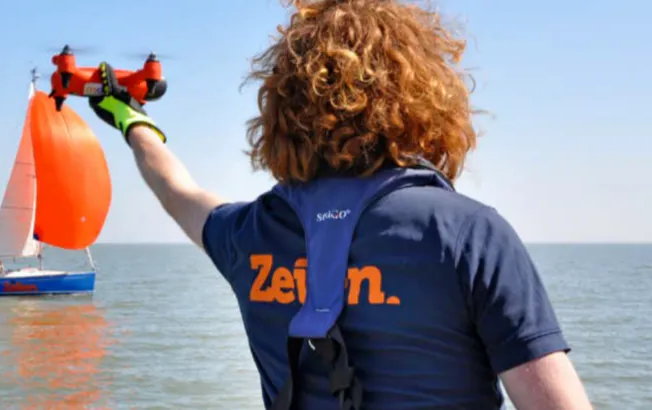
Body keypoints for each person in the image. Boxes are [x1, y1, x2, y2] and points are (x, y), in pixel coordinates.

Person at [85, 1, 593, 408]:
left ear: (283, 110)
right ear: (422, 98)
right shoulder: (471, 236)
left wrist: (131, 121)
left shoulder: (253, 232)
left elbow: (178, 193)